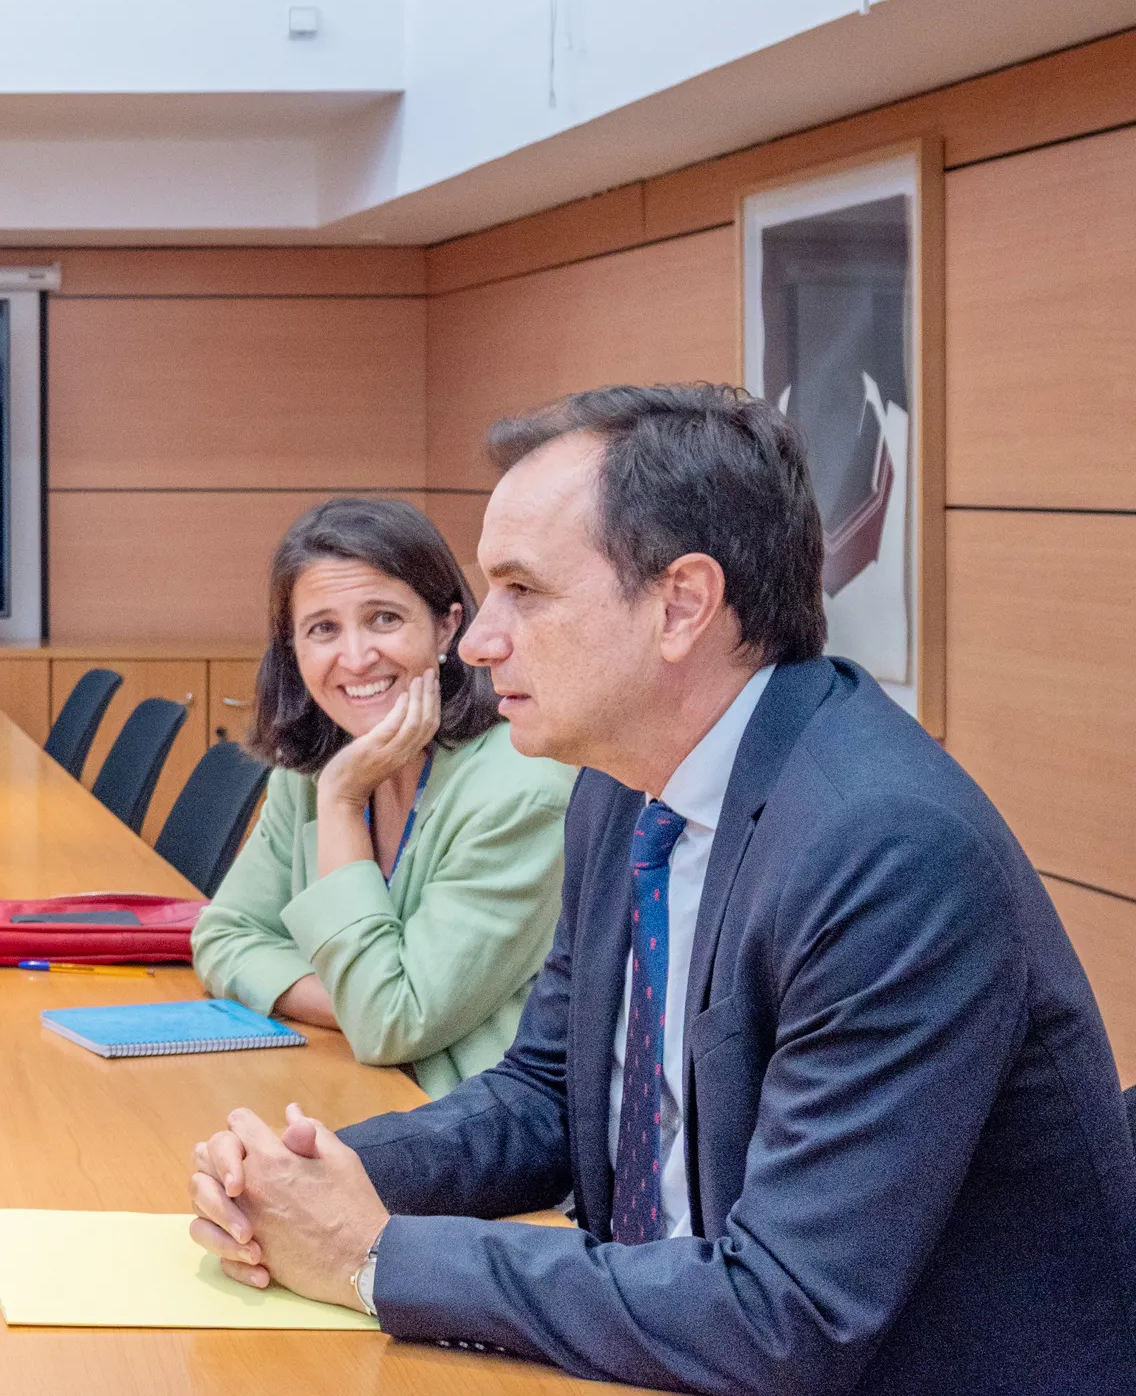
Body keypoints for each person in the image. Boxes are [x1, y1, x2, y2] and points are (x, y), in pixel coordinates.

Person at [185, 386, 1136, 1394]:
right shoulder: (624, 787)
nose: (476, 640)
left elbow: (789, 1312)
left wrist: (377, 1258)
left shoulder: (885, 850)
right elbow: (549, 1093)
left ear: (681, 604)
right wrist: (322, 1177)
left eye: (523, 592)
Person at [190, 498, 573, 1096]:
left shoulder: (522, 791)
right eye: (323, 629)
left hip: (468, 1141)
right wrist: (356, 1001)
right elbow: (224, 936)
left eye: (385, 619)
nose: (356, 656)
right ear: (294, 650)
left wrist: (344, 802)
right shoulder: (311, 768)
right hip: (344, 1087)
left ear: (448, 627)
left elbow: (392, 1022)